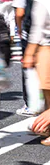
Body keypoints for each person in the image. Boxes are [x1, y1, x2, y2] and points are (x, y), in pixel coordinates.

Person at [24, 0, 50, 145]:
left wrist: (29, 52)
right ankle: (46, 126)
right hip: (45, 46)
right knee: (47, 93)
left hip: (46, 48)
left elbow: (38, 28)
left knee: (48, 92)